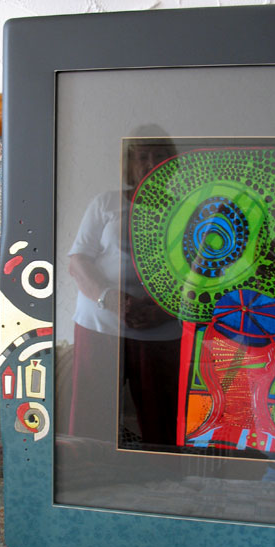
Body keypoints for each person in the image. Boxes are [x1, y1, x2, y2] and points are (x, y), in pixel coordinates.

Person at [68, 128, 182, 448]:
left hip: (161, 328)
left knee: (164, 423)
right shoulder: (105, 202)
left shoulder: (188, 211)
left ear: (172, 161)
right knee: (90, 419)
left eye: (160, 155)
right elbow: (78, 262)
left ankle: (163, 475)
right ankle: (90, 474)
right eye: (142, 156)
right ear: (129, 164)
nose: (151, 163)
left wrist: (163, 311)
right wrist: (114, 300)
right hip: (100, 323)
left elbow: (196, 275)